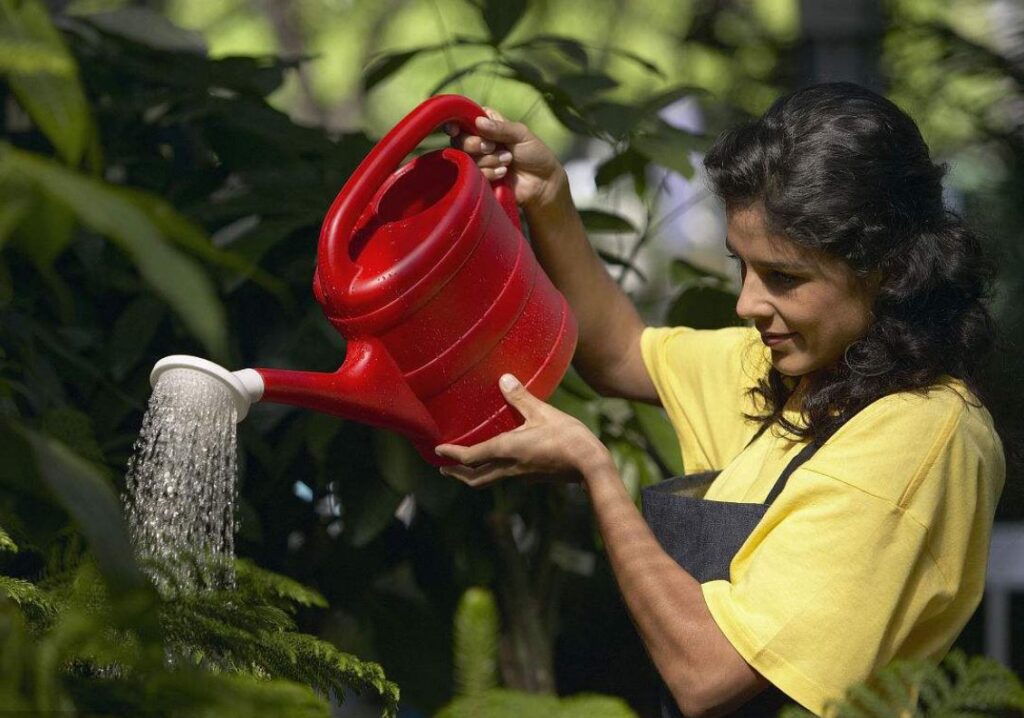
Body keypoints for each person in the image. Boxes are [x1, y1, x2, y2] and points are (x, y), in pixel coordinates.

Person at [435, 82, 1005, 717]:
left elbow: (708, 672)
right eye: (743, 266)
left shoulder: (919, 433)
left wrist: (595, 470)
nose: (746, 304)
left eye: (784, 278)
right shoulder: (795, 372)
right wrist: (549, 198)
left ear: (890, 270)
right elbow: (623, 352)